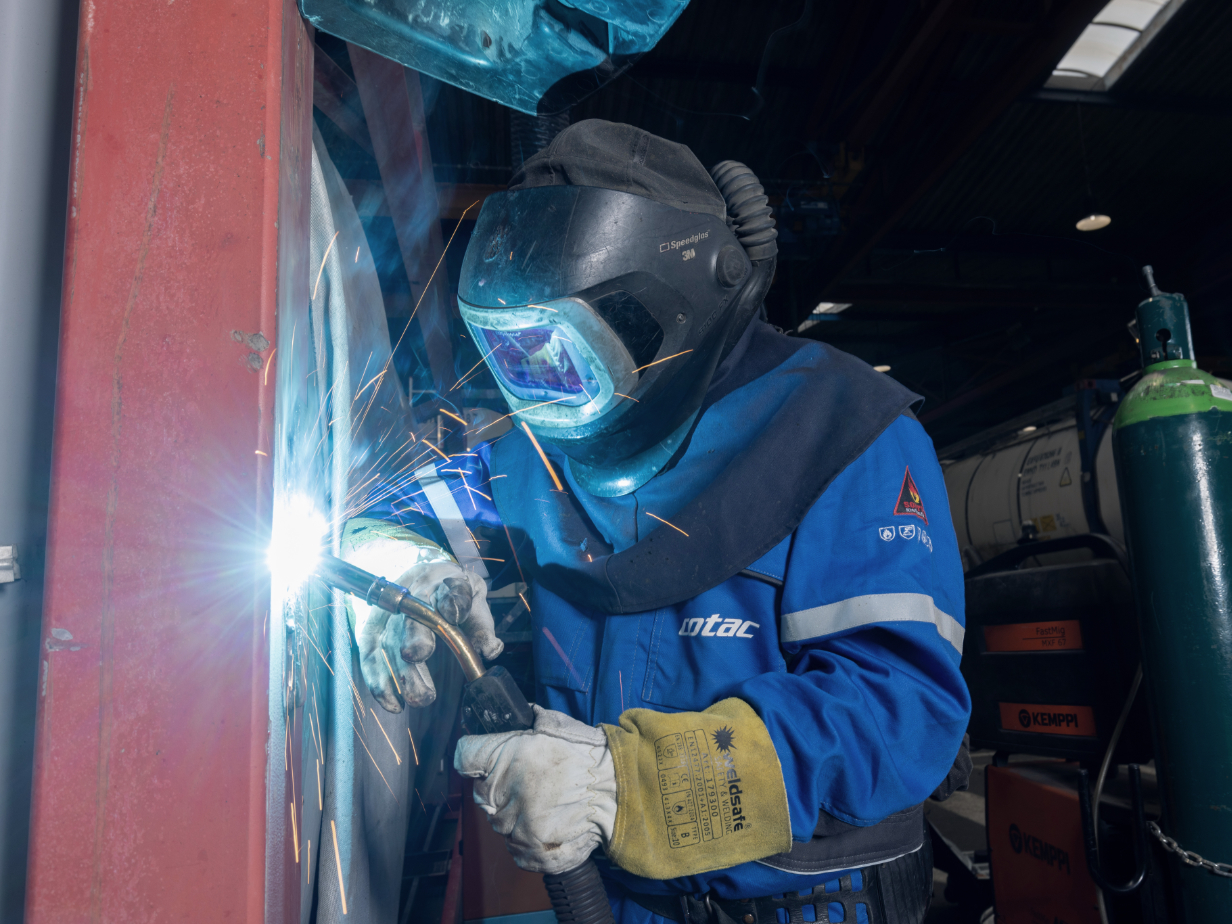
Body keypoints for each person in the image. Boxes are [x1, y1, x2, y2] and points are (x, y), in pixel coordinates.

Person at [344, 119, 971, 923]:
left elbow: (900, 712)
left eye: (558, 350)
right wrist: (399, 570)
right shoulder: (533, 443)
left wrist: (632, 784)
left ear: (663, 313)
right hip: (617, 899)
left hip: (808, 904)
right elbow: (401, 506)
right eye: (515, 356)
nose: (542, 389)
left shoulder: (844, 434)